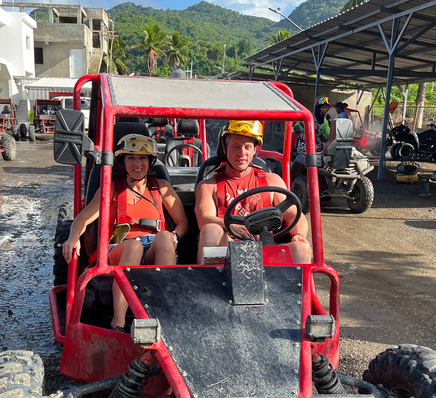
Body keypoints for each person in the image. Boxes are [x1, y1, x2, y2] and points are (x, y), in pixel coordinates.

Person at [62, 134, 188, 332]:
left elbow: (182, 223)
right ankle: (118, 322)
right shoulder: (110, 190)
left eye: (143, 158)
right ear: (122, 162)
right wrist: (73, 237)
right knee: (134, 246)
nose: (137, 163)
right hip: (120, 249)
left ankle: (165, 316)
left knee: (164, 236)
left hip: (153, 247)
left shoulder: (161, 188)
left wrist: (175, 236)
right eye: (131, 158)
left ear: (150, 161)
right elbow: (83, 218)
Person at [195, 120, 311, 265]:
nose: (242, 153)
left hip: (265, 248)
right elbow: (204, 219)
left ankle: (298, 287)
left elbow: (295, 215)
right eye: (236, 147)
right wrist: (232, 226)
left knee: (302, 248)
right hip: (228, 249)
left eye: (247, 147)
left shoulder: (272, 180)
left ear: (255, 150)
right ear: (225, 149)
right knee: (211, 230)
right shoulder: (208, 185)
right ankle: (211, 284)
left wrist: (299, 235)